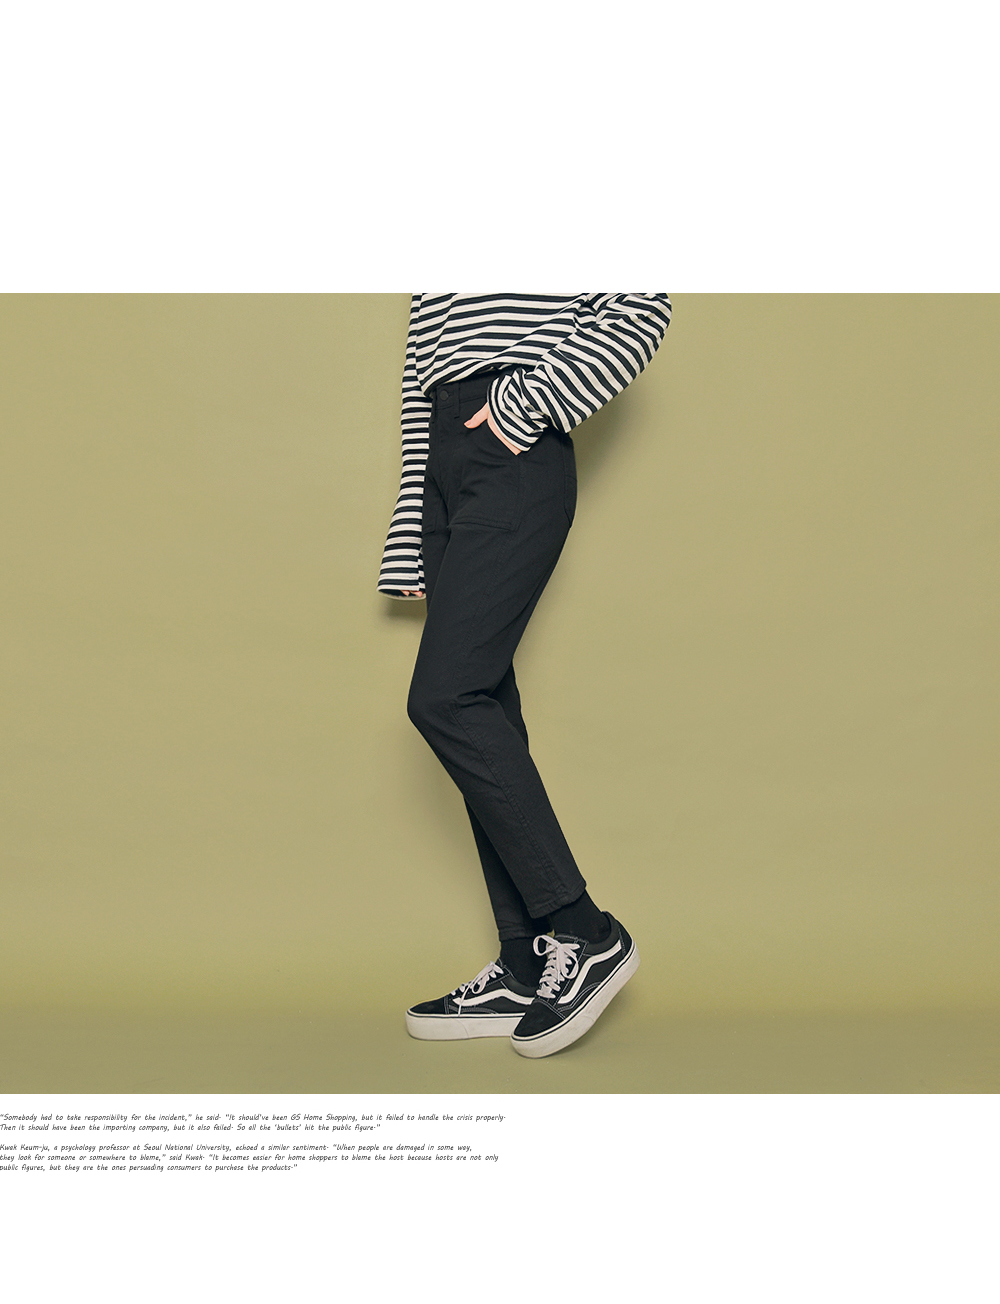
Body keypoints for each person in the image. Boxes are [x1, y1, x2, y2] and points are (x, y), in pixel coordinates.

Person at [378, 293, 672, 1058]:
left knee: (446, 698)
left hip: (510, 448)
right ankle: (524, 961)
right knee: (487, 713)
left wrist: (526, 402)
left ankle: (584, 929)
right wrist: (414, 521)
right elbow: (422, 373)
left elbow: (642, 306)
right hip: (447, 461)